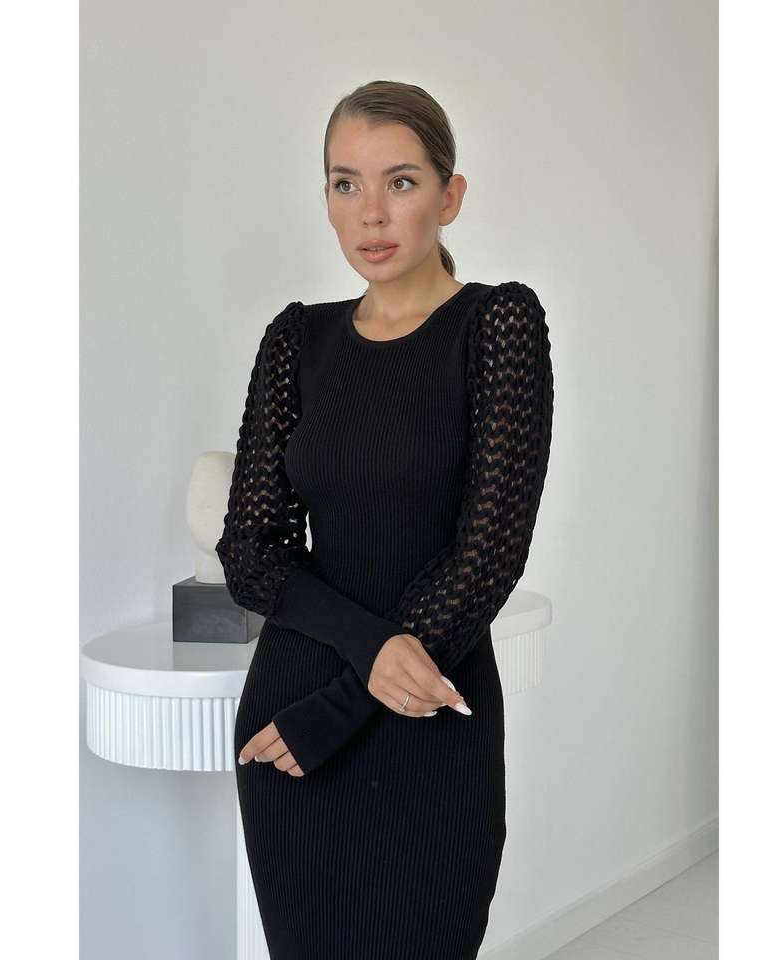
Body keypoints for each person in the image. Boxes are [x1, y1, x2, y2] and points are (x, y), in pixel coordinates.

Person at [216, 80, 554, 960]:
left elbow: (489, 553)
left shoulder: (497, 324)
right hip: (293, 721)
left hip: (428, 721)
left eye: (401, 182)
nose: (371, 212)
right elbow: (250, 552)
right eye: (346, 184)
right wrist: (365, 656)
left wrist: (348, 704)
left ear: (450, 195)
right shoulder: (297, 339)